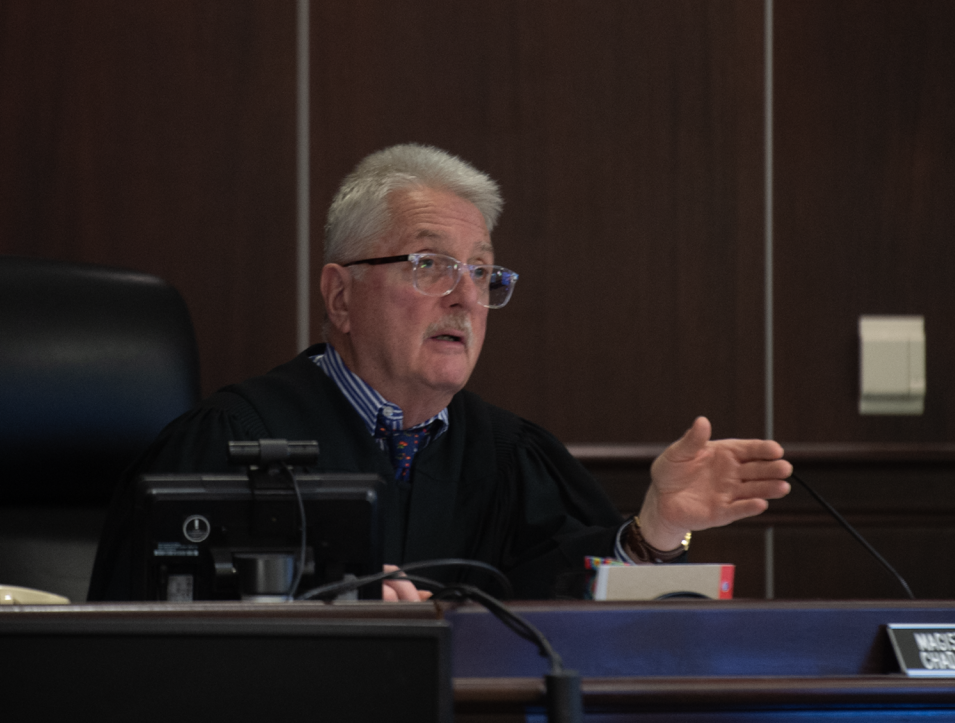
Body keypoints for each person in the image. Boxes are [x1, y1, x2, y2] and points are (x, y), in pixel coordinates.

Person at [88, 144, 791, 602]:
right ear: (340, 296)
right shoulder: (232, 441)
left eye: (481, 272)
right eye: (429, 265)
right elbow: (145, 649)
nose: (465, 296)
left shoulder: (510, 455)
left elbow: (575, 613)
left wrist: (654, 528)